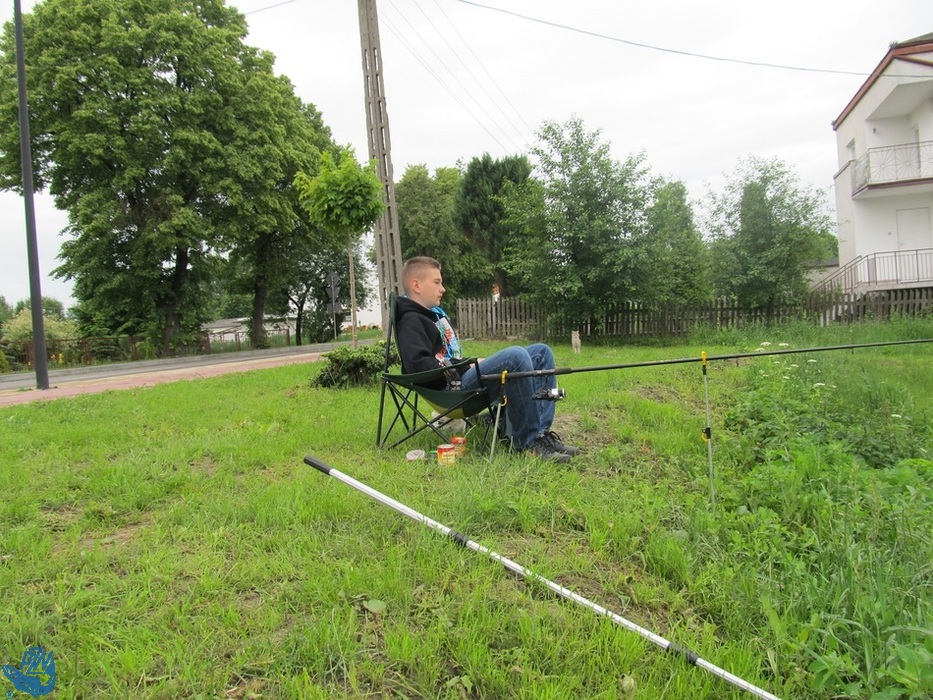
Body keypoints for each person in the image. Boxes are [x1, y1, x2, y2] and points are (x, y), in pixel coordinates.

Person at [395, 256, 580, 463]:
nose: (443, 289)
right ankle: (527, 444)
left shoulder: (431, 316)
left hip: (459, 377)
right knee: (516, 356)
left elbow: (446, 357)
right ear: (416, 285)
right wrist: (465, 365)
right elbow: (418, 367)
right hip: (451, 390)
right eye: (437, 282)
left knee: (541, 352)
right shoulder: (411, 320)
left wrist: (468, 362)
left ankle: (540, 436)